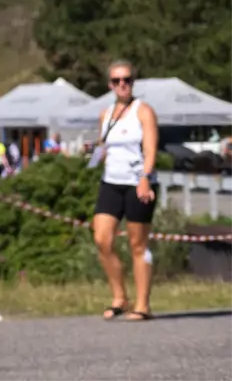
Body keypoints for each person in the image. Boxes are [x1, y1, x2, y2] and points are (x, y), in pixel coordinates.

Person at [92, 60, 160, 321]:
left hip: (137, 183)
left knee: (137, 244)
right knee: (102, 240)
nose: (123, 85)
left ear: (133, 82)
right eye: (117, 80)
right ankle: (120, 296)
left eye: (127, 80)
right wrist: (94, 154)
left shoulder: (144, 111)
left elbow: (150, 149)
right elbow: (104, 145)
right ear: (110, 84)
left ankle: (143, 304)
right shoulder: (105, 114)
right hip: (111, 182)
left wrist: (145, 177)